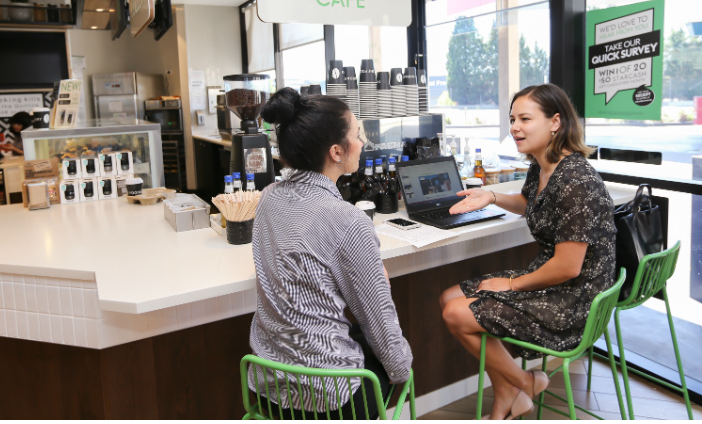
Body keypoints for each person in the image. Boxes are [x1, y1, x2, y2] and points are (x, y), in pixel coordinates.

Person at [439, 84, 617, 420]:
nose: (515, 127)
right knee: (448, 298)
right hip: (552, 281)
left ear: (555, 122)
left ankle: (524, 383)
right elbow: (530, 203)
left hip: (573, 299)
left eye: (525, 119)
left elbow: (568, 267)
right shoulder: (543, 164)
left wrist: (510, 285)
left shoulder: (576, 181)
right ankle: (511, 390)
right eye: (512, 119)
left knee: (456, 314)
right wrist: (492, 196)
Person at [249, 87, 412, 419]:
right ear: (337, 152)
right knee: (394, 355)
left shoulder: (268, 197)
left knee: (353, 335)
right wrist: (403, 372)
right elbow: (379, 321)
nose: (363, 142)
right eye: (357, 135)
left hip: (265, 387)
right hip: (329, 401)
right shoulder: (349, 221)